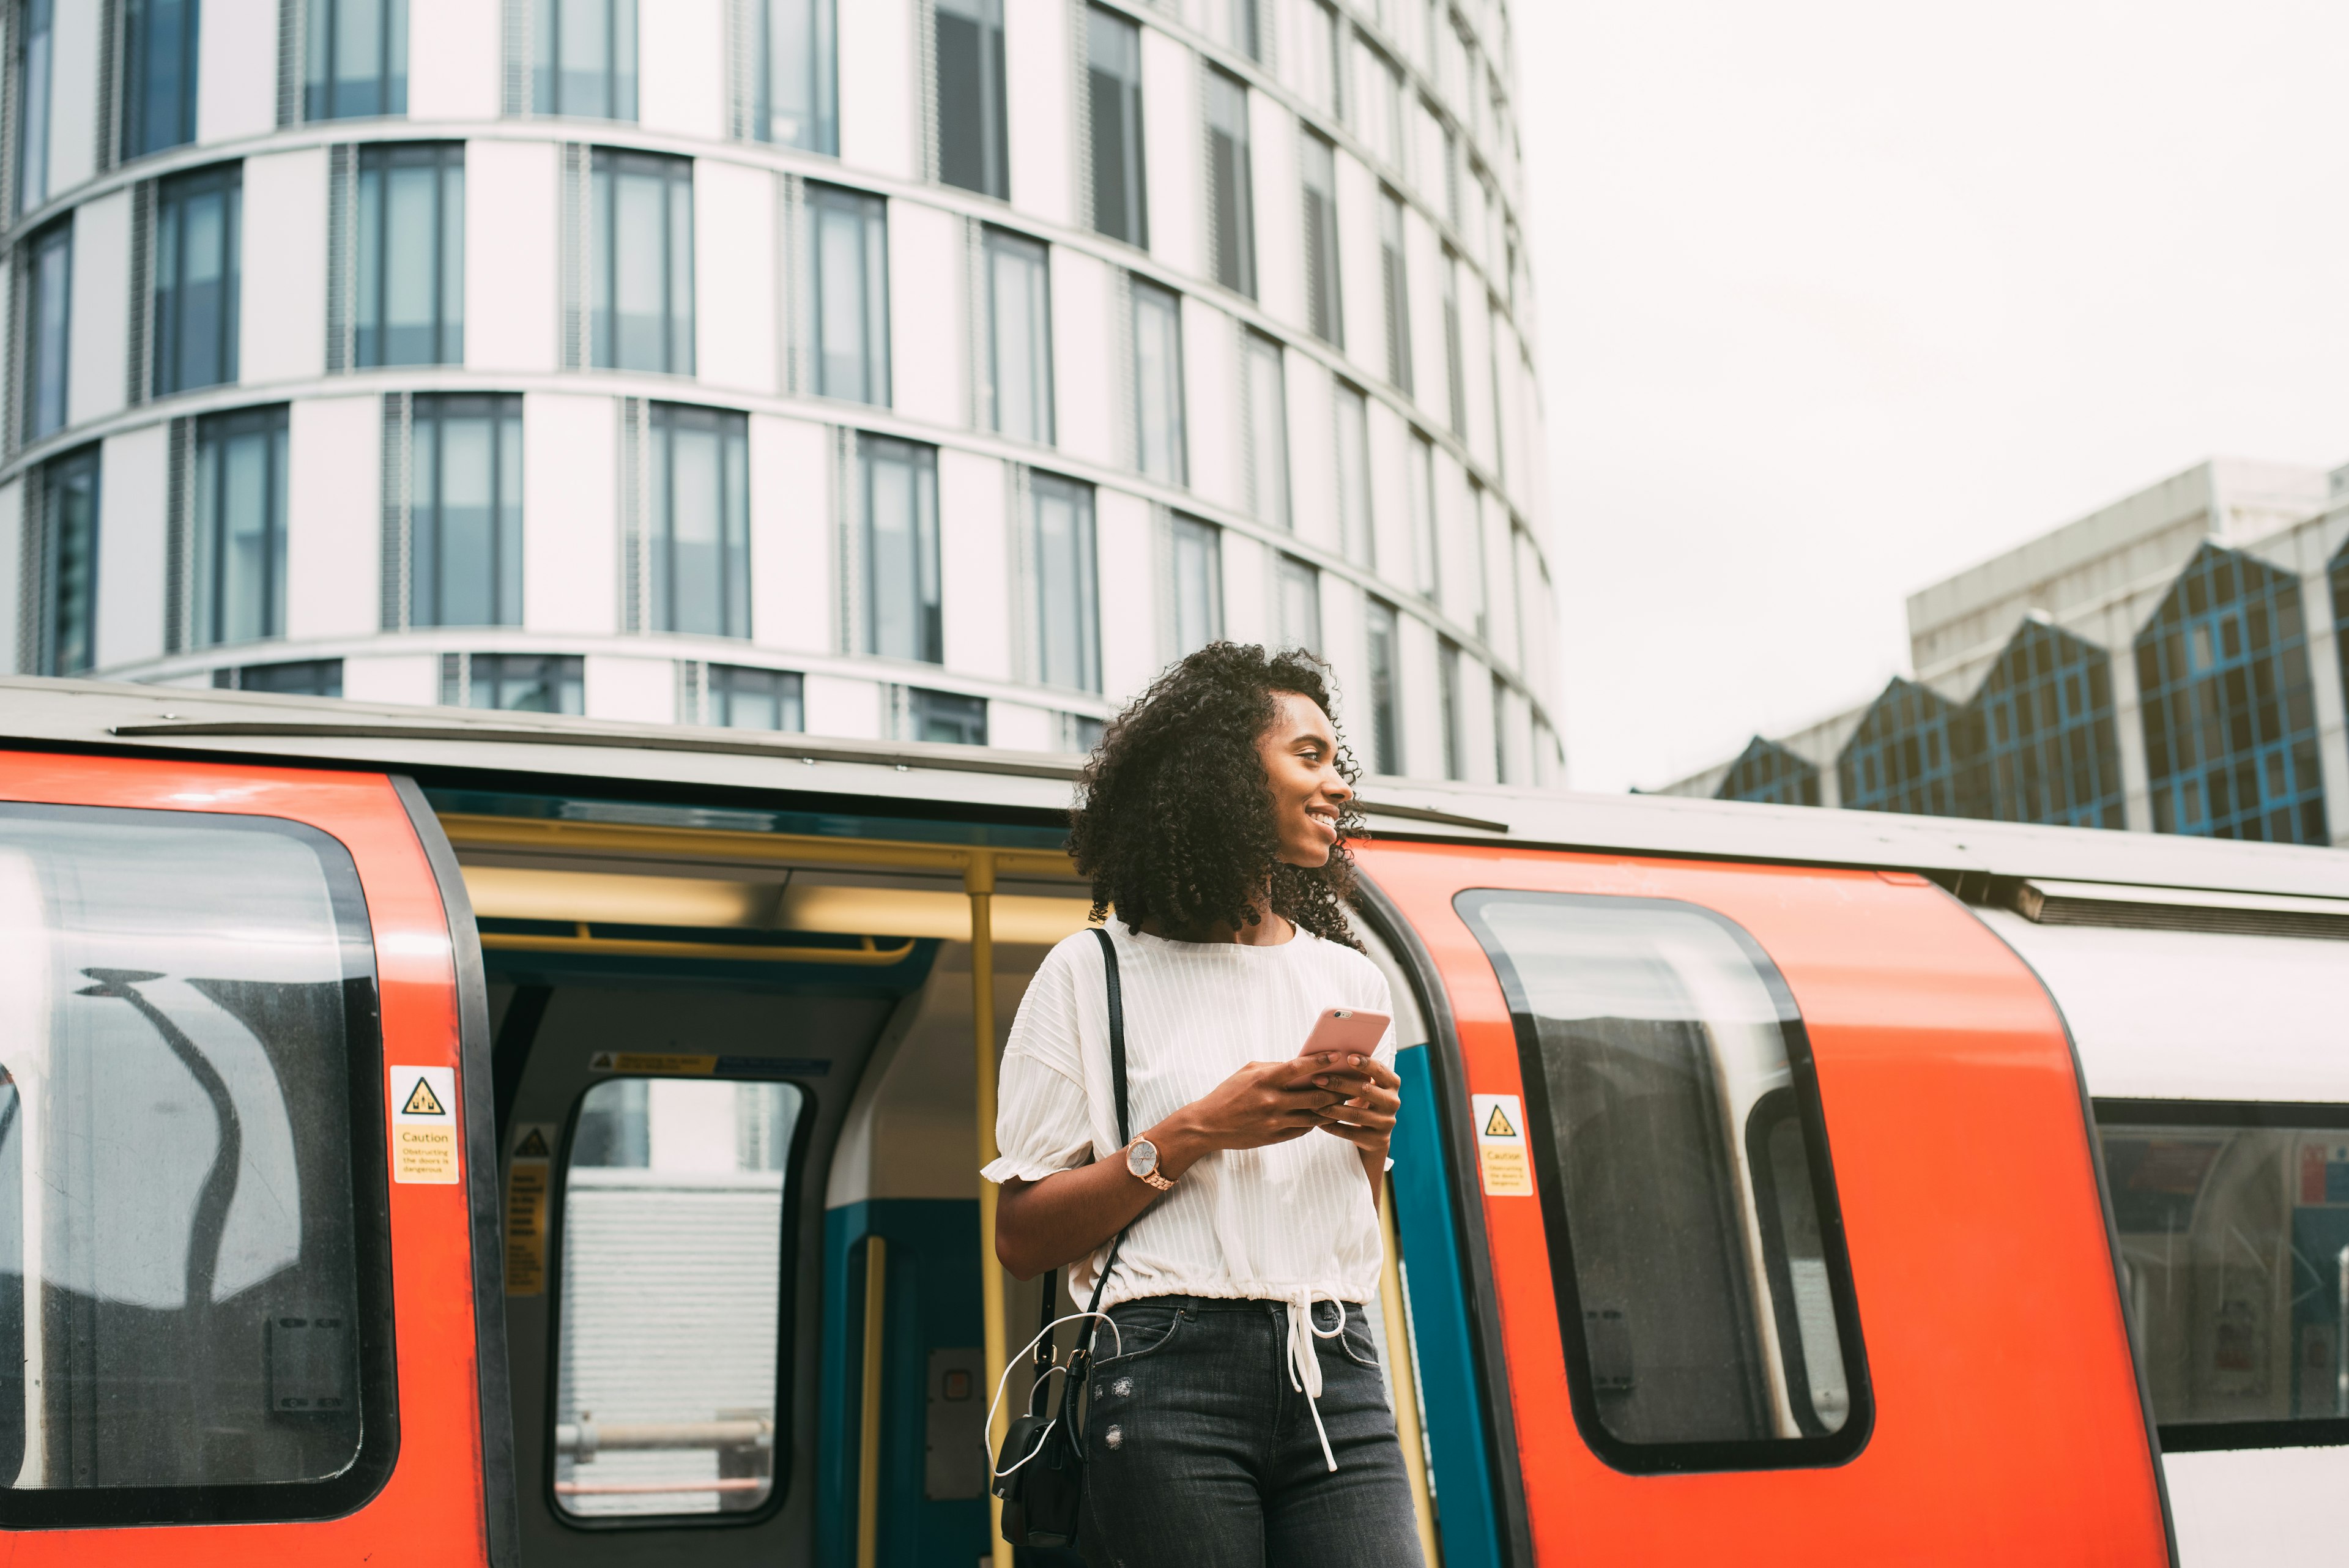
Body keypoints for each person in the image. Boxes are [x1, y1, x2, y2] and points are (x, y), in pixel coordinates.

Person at [985, 642, 1424, 1568]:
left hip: (1337, 1361)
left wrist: (1370, 1146)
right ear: (1224, 775)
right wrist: (1197, 1131)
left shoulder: (1346, 976)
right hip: (1165, 1376)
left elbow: (1350, 1222)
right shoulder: (1090, 974)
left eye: (1336, 759)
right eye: (1309, 755)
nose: (1338, 784)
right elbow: (1022, 1238)